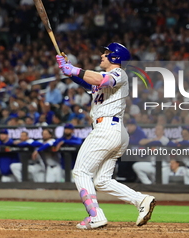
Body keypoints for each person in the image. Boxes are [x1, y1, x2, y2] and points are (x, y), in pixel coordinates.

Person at [56, 42, 155, 229]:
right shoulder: (102, 76)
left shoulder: (119, 73)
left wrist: (74, 69)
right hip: (114, 131)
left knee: (80, 171)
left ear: (116, 57)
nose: (102, 55)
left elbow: (101, 80)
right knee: (102, 180)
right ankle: (142, 200)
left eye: (106, 53)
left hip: (106, 129)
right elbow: (88, 81)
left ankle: (95, 216)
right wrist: (69, 70)